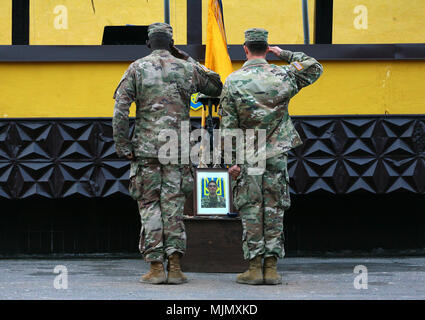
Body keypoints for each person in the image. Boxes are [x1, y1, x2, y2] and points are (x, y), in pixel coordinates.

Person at [112, 22, 223, 284]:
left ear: (149, 43)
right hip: (177, 150)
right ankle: (174, 267)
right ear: (170, 43)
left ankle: (154, 268)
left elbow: (120, 111)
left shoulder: (136, 68)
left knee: (150, 206)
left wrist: (123, 145)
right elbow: (216, 85)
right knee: (173, 206)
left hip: (146, 150)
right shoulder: (186, 68)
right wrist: (186, 56)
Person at [219, 28, 323, 285]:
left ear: (245, 49)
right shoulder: (284, 75)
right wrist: (285, 53)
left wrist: (231, 161)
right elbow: (314, 67)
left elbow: (228, 125)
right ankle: (272, 268)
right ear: (266, 49)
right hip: (276, 152)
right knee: (275, 206)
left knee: (251, 207)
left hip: (247, 155)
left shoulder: (233, 81)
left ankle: (254, 269)